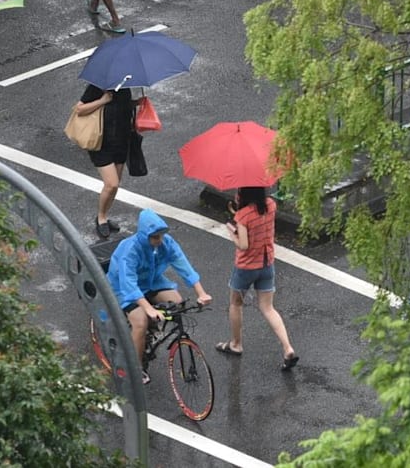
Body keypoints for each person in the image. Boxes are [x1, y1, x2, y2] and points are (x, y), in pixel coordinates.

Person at [106, 209, 213, 384]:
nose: (159, 241)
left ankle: (151, 330)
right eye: (155, 237)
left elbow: (183, 265)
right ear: (144, 235)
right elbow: (128, 284)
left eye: (161, 236)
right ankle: (135, 368)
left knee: (177, 302)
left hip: (151, 282)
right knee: (140, 322)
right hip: (121, 287)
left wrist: (201, 292)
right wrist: (147, 309)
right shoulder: (131, 250)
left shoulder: (165, 243)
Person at [216, 187, 299, 371]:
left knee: (236, 304)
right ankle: (287, 347)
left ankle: (236, 344)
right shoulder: (271, 205)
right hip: (267, 264)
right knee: (268, 308)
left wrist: (232, 232)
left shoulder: (243, 216)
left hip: (245, 268)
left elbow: (243, 245)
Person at [74, 82, 136, 238]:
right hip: (101, 143)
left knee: (115, 186)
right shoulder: (97, 86)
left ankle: (105, 215)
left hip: (121, 142)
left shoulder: (125, 87)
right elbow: (79, 109)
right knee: (111, 184)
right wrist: (103, 100)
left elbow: (122, 108)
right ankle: (101, 218)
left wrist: (137, 103)